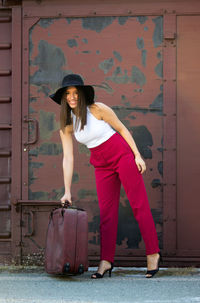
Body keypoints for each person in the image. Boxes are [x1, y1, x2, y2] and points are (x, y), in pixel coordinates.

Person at [49, 74, 161, 279]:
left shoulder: (97, 109)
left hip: (122, 156)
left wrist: (137, 155)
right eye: (67, 94)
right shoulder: (66, 124)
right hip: (101, 165)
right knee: (107, 214)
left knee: (139, 206)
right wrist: (66, 190)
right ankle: (106, 261)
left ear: (82, 94)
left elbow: (121, 128)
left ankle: (153, 254)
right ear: (64, 98)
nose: (72, 97)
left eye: (75, 93)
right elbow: (68, 158)